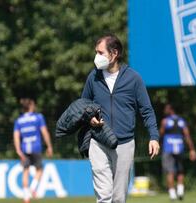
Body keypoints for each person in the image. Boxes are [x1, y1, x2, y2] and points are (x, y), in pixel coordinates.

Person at [81, 34, 160, 203]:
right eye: (96, 52)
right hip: (98, 141)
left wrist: (154, 137)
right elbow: (83, 106)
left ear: (114, 53)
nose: (97, 57)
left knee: (119, 197)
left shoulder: (133, 78)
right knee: (104, 196)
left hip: (124, 144)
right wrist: (90, 119)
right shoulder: (93, 77)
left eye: (100, 53)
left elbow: (146, 110)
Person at [13, 98, 53, 203]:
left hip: (24, 148)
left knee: (25, 171)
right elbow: (44, 132)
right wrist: (49, 146)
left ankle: (26, 197)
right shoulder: (38, 117)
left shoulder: (19, 120)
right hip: (36, 147)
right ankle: (32, 188)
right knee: (39, 170)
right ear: (31, 106)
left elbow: (16, 136)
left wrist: (18, 150)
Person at [159, 104, 196, 201]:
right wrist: (192, 149)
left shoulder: (165, 121)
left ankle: (172, 194)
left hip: (168, 148)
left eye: (166, 109)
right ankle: (180, 191)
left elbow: (160, 135)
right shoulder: (181, 121)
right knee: (180, 170)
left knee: (170, 171)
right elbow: (187, 136)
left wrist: (157, 145)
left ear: (171, 109)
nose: (164, 110)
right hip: (179, 147)